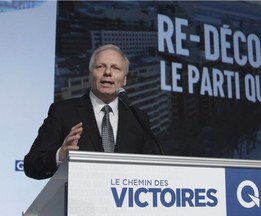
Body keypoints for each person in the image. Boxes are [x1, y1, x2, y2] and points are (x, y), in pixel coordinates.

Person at [24, 44, 161, 180]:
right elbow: (31, 165)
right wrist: (60, 155)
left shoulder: (138, 118)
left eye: (116, 68)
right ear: (90, 74)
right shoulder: (62, 112)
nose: (107, 72)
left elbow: (155, 168)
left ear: (124, 79)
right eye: (100, 66)